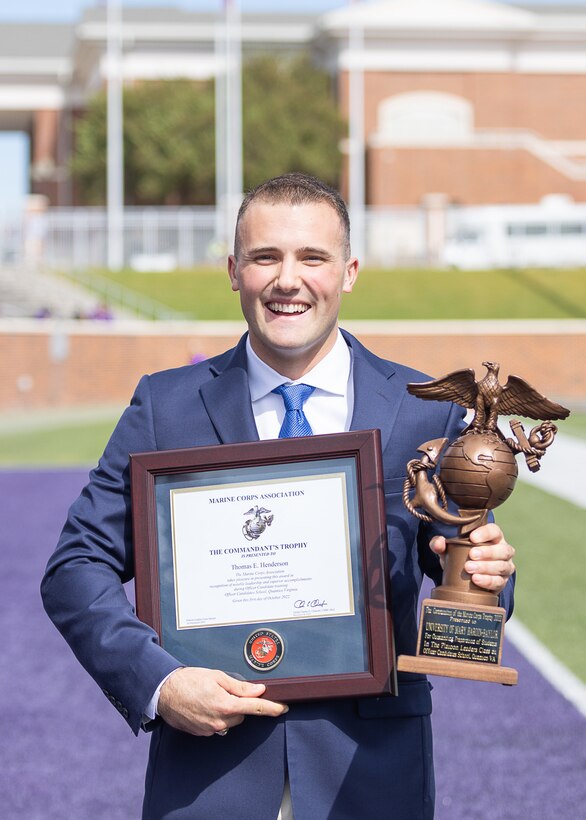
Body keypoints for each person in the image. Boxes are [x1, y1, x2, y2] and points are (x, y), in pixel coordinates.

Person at [41, 173, 515, 820]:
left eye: (311, 258)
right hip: (211, 779)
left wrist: (488, 577)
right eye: (266, 257)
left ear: (348, 272)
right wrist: (159, 682)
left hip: (368, 775)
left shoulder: (422, 413)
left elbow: (465, 568)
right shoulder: (165, 406)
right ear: (233, 270)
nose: (288, 279)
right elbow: (75, 570)